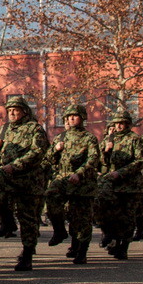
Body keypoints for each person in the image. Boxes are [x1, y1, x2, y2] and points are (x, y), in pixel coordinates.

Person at [0, 96, 50, 271]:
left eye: (15, 110)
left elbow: (37, 152)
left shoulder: (34, 129)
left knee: (27, 218)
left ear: (24, 111)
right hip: (7, 176)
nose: (11, 113)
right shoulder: (4, 129)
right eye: (9, 110)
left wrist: (15, 166)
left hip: (28, 180)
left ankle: (27, 253)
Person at [43, 103, 100, 264]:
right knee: (51, 197)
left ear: (82, 118)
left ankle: (81, 250)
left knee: (81, 217)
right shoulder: (60, 137)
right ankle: (59, 230)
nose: (71, 119)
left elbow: (93, 159)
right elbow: (48, 159)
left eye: (74, 116)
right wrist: (56, 150)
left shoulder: (89, 138)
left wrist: (79, 173)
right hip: (63, 177)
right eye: (68, 116)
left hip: (83, 182)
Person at [93, 108, 142, 260]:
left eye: (122, 123)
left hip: (129, 184)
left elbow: (139, 161)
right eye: (117, 123)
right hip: (110, 183)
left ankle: (123, 246)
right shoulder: (109, 139)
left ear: (128, 124)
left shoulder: (134, 139)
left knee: (127, 217)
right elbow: (100, 161)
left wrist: (121, 173)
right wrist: (107, 151)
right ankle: (109, 233)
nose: (119, 126)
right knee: (103, 208)